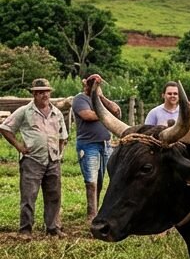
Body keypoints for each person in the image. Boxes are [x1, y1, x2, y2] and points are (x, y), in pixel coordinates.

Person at [0, 78, 69, 236]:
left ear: (50, 93)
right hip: (32, 160)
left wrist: (59, 152)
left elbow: (63, 136)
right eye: (40, 92)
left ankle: (52, 228)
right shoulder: (25, 111)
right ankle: (25, 230)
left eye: (46, 92)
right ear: (34, 94)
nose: (44, 95)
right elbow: (5, 128)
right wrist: (19, 146)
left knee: (54, 195)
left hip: (53, 160)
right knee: (29, 196)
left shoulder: (56, 112)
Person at [71, 73, 123, 221]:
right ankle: (91, 215)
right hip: (88, 145)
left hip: (105, 145)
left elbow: (116, 111)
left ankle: (97, 209)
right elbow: (87, 115)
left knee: (100, 180)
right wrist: (106, 115)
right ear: (85, 84)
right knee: (91, 181)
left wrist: (100, 96)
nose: (93, 85)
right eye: (91, 83)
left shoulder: (100, 100)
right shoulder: (80, 99)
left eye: (97, 83)